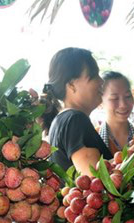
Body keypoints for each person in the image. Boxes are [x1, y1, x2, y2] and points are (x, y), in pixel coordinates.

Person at [42, 47, 111, 175]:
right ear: (71, 85)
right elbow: (97, 182)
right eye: (94, 75)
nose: (101, 81)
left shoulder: (63, 120)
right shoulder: (75, 120)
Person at [99, 71, 134, 154]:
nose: (123, 105)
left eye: (128, 96)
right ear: (100, 101)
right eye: (114, 98)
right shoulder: (93, 140)